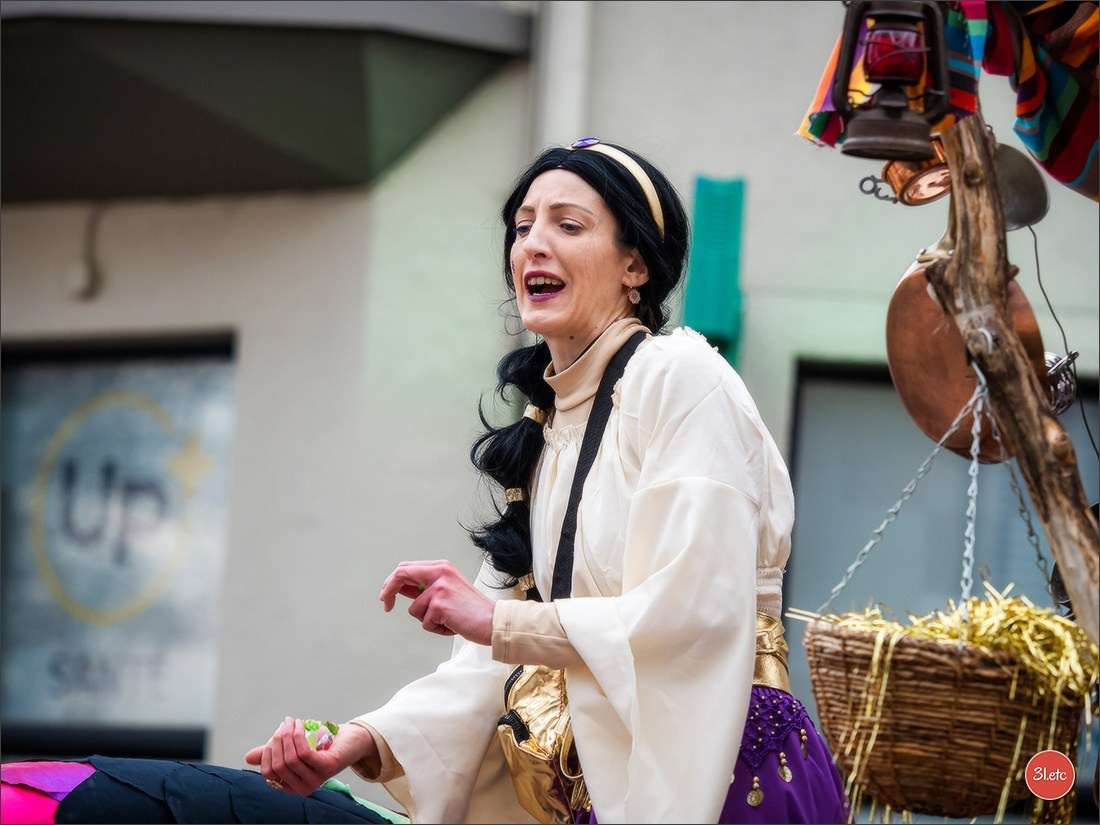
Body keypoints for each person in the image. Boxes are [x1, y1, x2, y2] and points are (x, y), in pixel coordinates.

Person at [0, 139, 849, 825]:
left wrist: (502, 618)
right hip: (602, 796)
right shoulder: (546, 435)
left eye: (567, 223)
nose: (533, 244)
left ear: (637, 266)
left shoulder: (679, 376)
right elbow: (484, 673)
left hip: (735, 778)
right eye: (521, 225)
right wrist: (360, 742)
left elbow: (698, 611)